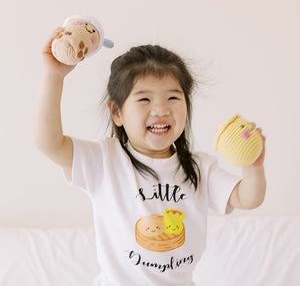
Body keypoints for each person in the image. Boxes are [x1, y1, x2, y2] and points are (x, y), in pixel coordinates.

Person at [35, 28, 266, 286]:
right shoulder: (105, 161)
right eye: (144, 99)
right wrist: (54, 76)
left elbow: (247, 198)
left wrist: (253, 166)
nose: (161, 109)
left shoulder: (199, 167)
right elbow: (50, 144)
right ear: (117, 113)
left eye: (173, 97)